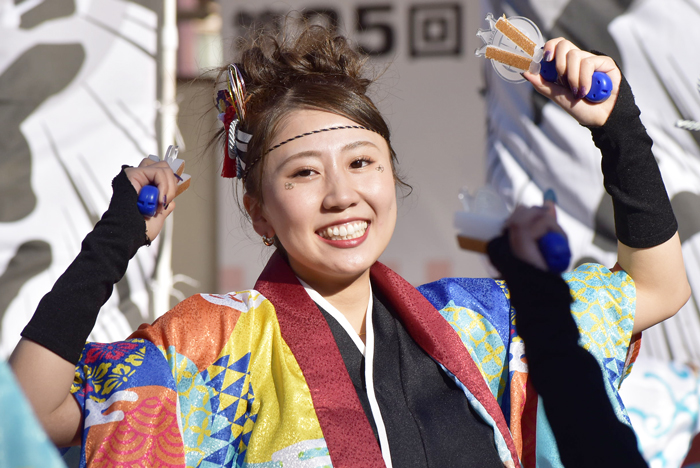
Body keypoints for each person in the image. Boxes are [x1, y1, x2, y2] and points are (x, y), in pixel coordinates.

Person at [8, 25, 689, 467]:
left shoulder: (478, 324)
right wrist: (113, 240)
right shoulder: (212, 345)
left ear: (392, 176)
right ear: (259, 212)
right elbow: (31, 411)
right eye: (304, 173)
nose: (341, 194)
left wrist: (617, 125)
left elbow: (659, 290)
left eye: (362, 163)